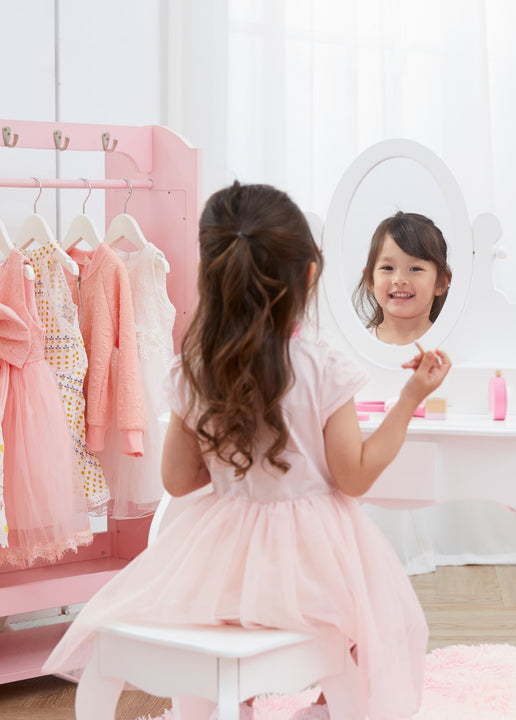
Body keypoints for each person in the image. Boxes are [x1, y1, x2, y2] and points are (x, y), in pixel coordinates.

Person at [43, 182, 451, 720]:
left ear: (214, 277)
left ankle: (222, 709)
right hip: (314, 557)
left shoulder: (195, 369)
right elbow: (353, 477)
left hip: (217, 555)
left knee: (226, 618)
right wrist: (410, 399)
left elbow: (179, 481)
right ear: (308, 275)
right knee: (376, 629)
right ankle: (327, 709)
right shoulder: (323, 367)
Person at [353, 211, 452, 346]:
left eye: (415, 269)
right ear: (370, 279)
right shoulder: (356, 346)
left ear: (441, 282)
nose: (399, 280)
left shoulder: (452, 344)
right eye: (388, 268)